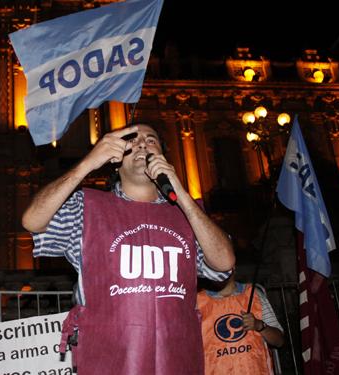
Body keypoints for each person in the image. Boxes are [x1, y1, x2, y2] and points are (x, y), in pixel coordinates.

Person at [22, 123, 235, 375]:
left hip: (176, 359)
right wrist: (87, 163)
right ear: (115, 158)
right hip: (107, 360)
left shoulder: (189, 217)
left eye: (151, 140)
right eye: (132, 140)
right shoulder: (89, 209)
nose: (143, 143)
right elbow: (32, 221)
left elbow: (224, 263)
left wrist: (181, 193)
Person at [197, 271, 284, 375]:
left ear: (232, 265)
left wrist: (259, 326)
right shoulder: (198, 302)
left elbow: (279, 341)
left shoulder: (254, 295)